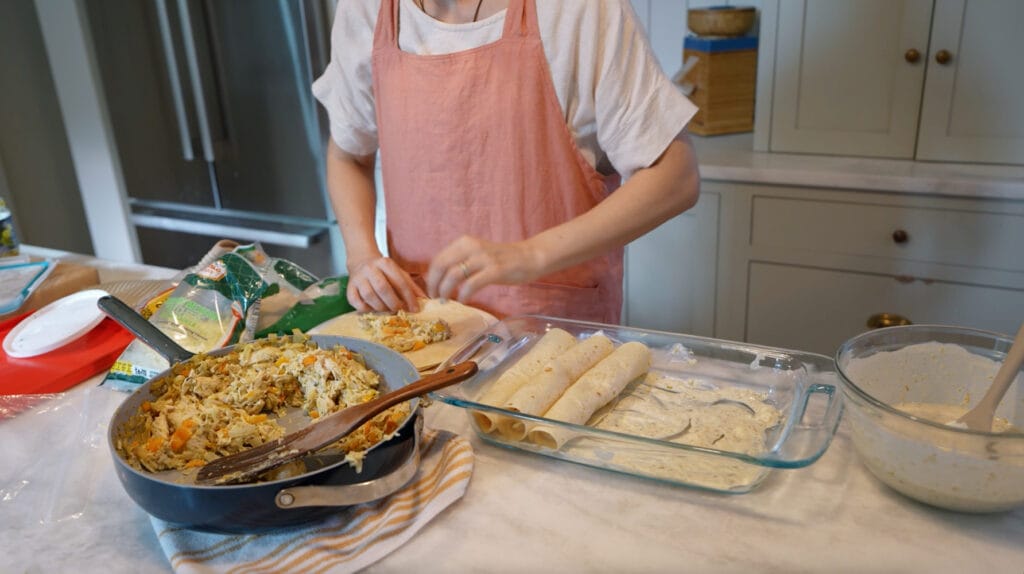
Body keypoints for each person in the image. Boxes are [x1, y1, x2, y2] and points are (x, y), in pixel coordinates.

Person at [313, 0, 700, 324]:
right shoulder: (366, 10)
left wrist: (530, 255)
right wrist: (362, 256)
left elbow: (674, 176)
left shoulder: (577, 9)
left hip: (551, 339)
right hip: (420, 329)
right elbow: (349, 155)